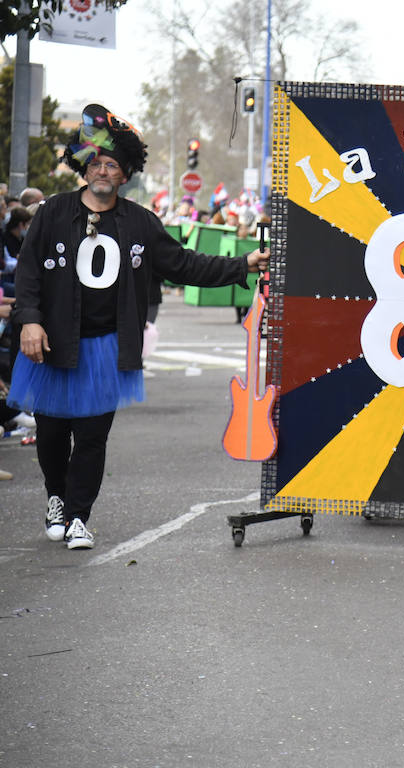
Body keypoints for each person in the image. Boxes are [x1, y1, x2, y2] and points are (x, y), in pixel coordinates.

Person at [7, 105, 270, 550]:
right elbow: (28, 273)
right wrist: (29, 321)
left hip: (105, 347)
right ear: (83, 168)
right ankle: (56, 497)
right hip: (51, 343)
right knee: (52, 435)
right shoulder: (52, 214)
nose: (103, 170)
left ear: (125, 174)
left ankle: (78, 516)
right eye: (96, 163)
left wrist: (240, 264)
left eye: (112, 164)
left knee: (92, 435)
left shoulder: (140, 222)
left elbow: (184, 263)